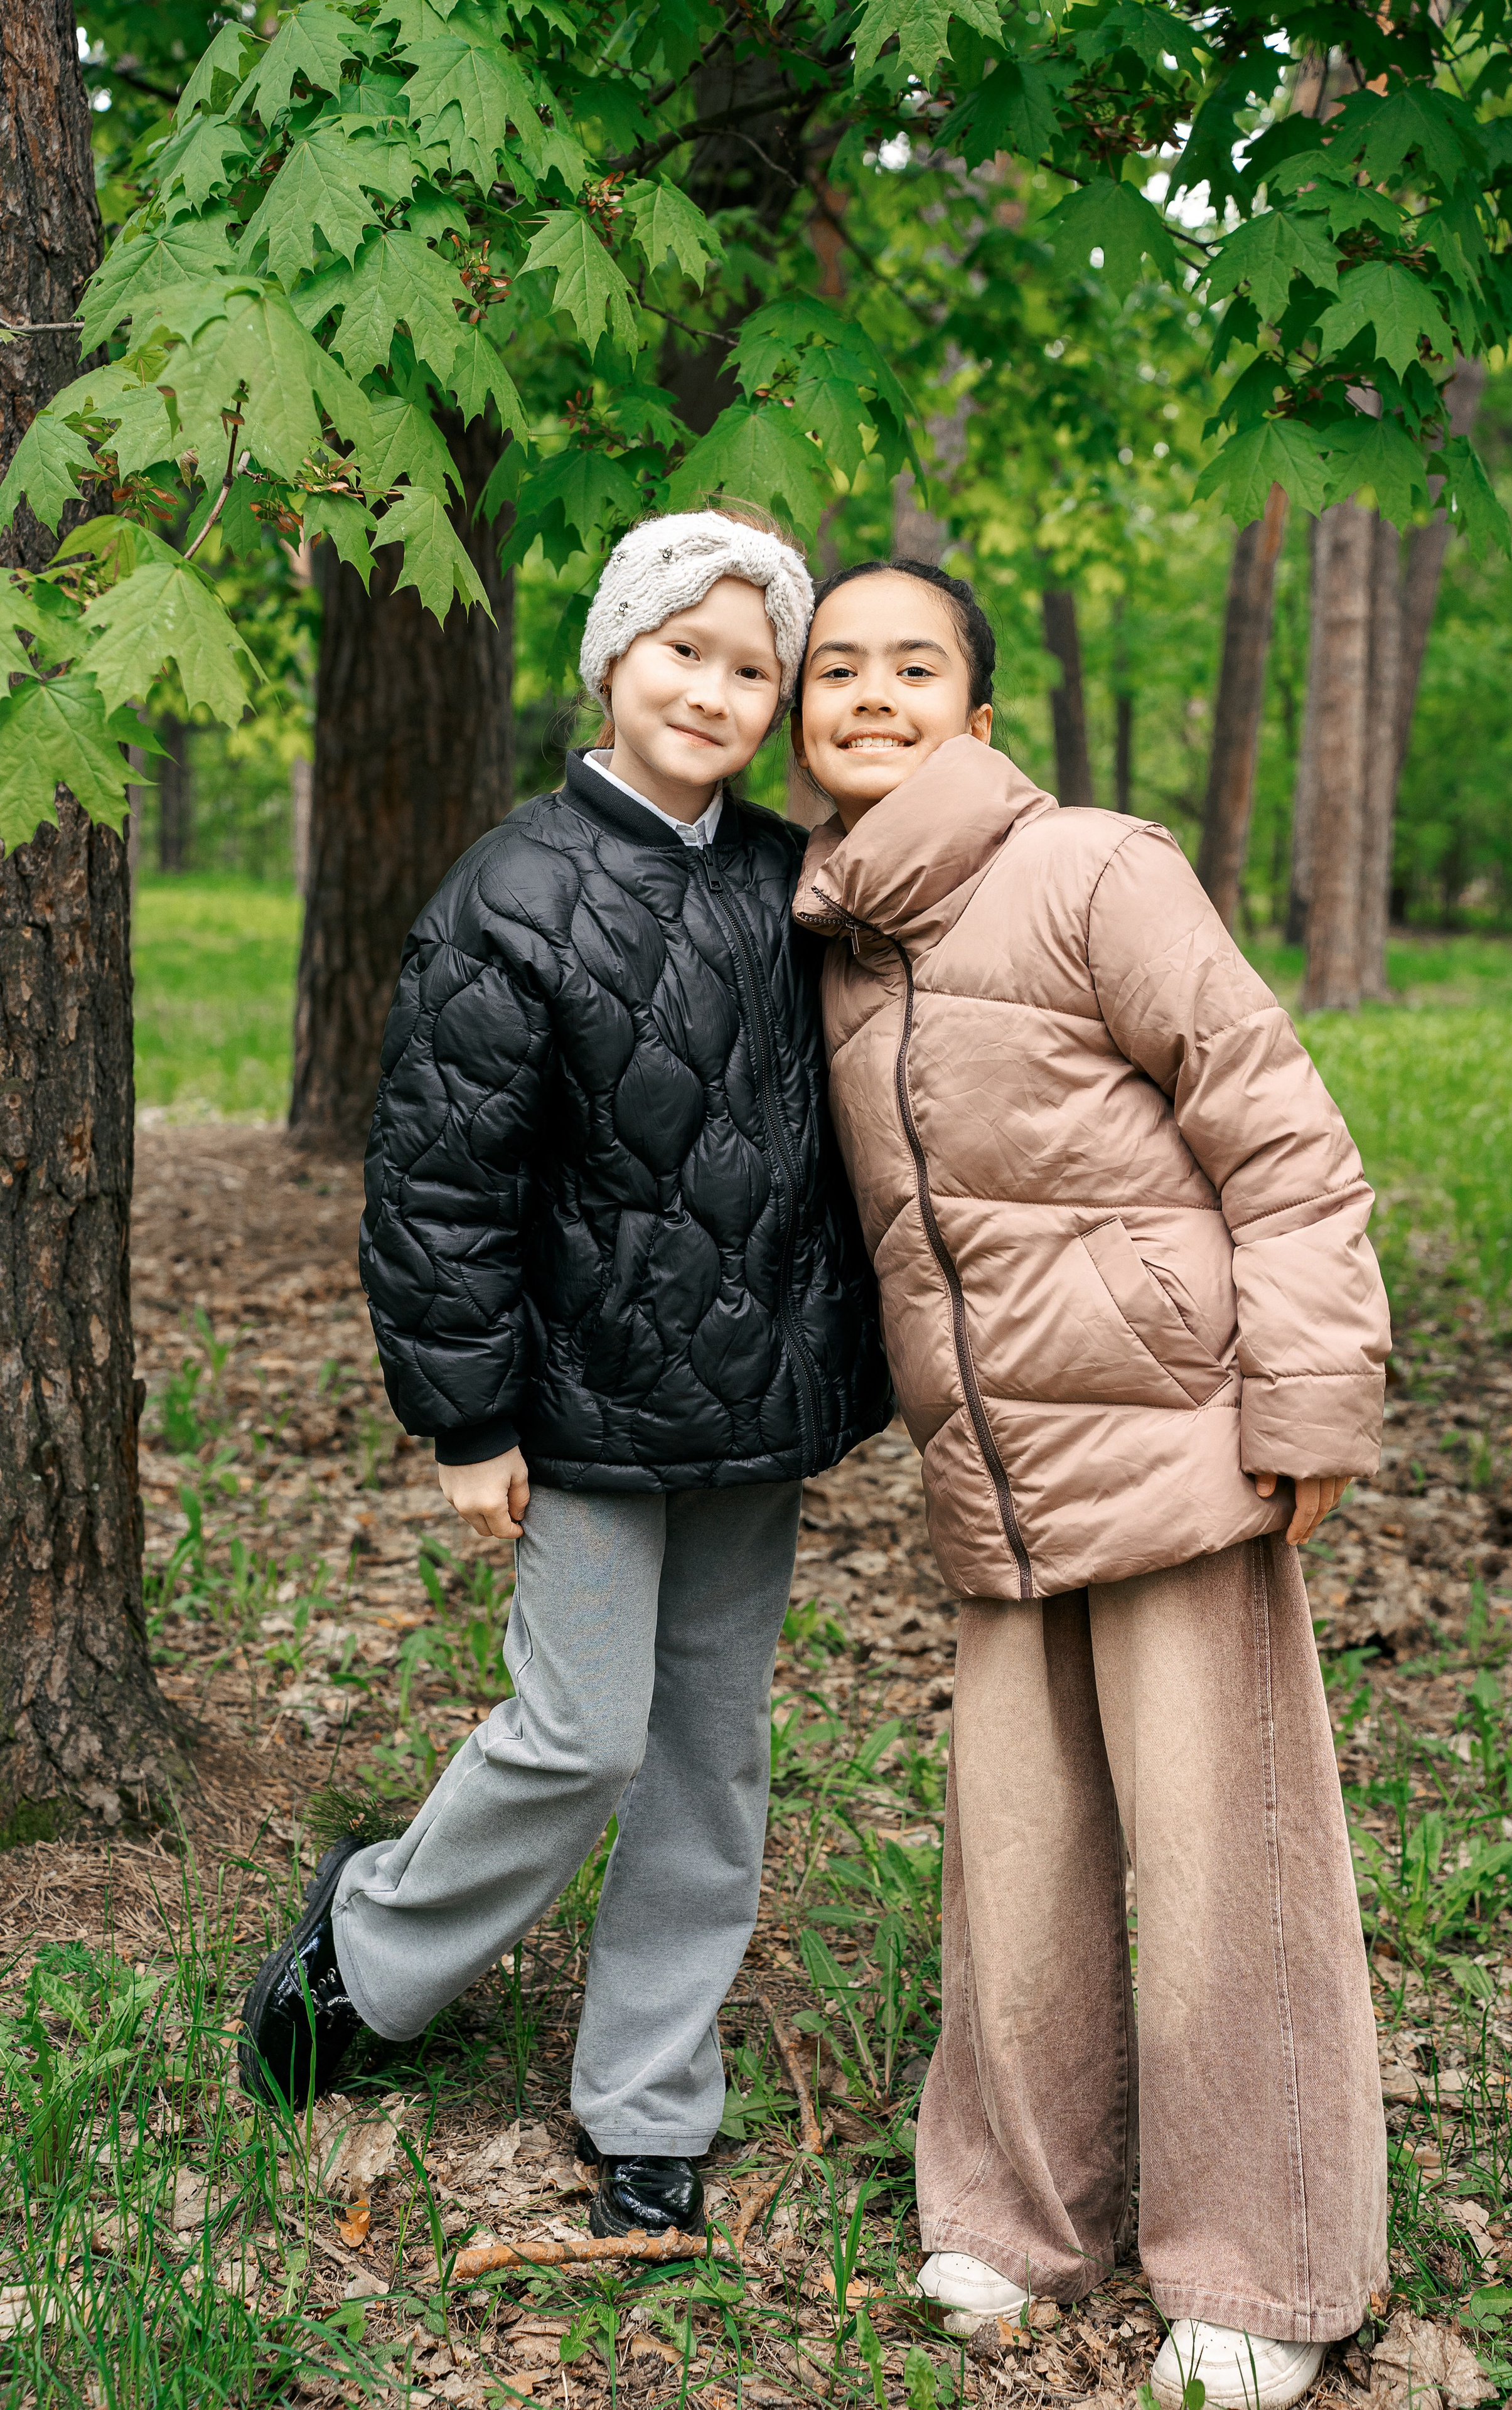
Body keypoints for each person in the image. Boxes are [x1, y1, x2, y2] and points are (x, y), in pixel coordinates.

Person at [239, 508, 891, 2245]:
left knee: (707, 1760)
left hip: (752, 1405)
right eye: (683, 649)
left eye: (753, 668)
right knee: (581, 1737)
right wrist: (467, 1413)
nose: (714, 689)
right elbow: (438, 1179)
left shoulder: (784, 883)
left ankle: (650, 2103)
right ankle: (365, 1957)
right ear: (612, 657)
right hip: (581, 1412)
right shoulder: (513, 890)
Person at [789, 556, 1390, 2408]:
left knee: (1227, 1862)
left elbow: (1278, 1129)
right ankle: (1015, 2211)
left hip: (1175, 1442)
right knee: (1020, 1860)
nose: (871, 696)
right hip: (995, 1477)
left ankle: (1271, 2265)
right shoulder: (826, 938)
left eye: (915, 667)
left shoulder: (1095, 871)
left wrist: (1308, 1399)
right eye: (835, 671)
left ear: (980, 710)